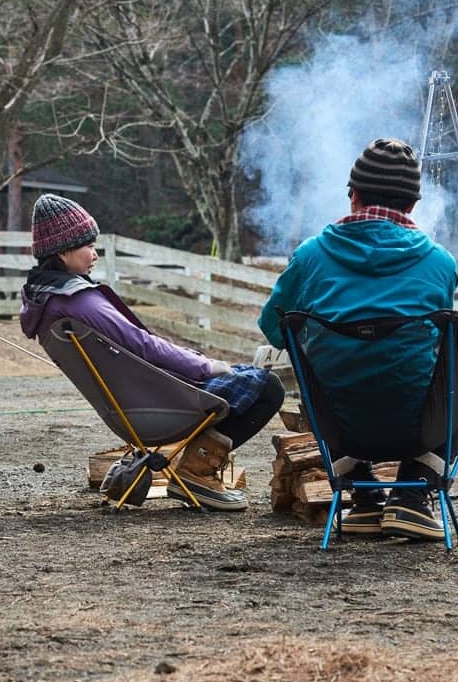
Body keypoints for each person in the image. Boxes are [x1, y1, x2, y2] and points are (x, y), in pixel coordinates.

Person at [20, 194, 284, 511]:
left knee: (244, 376)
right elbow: (144, 345)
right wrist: (205, 365)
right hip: (158, 404)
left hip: (129, 406)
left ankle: (196, 471)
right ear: (62, 252)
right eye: (88, 246)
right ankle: (197, 474)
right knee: (267, 386)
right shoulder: (79, 301)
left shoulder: (47, 302)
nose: (95, 254)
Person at [258, 138, 458, 540]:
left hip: (338, 425)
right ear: (413, 205)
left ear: (353, 196)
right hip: (417, 425)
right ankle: (412, 498)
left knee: (325, 380)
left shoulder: (311, 256)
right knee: (454, 398)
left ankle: (364, 500)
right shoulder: (440, 262)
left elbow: (273, 327)